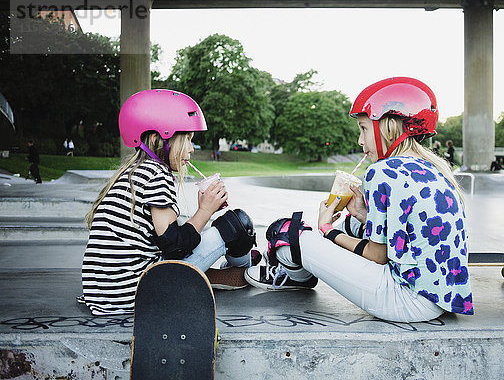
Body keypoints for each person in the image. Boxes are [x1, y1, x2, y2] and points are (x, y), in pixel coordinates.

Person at [245, 77, 473, 322]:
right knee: (353, 225)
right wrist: (365, 215)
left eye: (364, 128)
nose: (360, 140)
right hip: (440, 297)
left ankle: (292, 276)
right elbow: (408, 232)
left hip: (406, 300)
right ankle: (298, 268)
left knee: (289, 233)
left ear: (389, 126)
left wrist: (327, 230)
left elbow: (378, 255)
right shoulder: (433, 168)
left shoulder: (383, 170)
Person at [81, 89, 258, 315]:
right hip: (141, 296)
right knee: (238, 224)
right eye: (187, 140)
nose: (192, 149)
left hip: (104, 295)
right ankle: (242, 269)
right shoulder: (157, 174)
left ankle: (216, 273)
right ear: (157, 139)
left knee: (218, 229)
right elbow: (173, 245)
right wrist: (205, 210)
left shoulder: (133, 172)